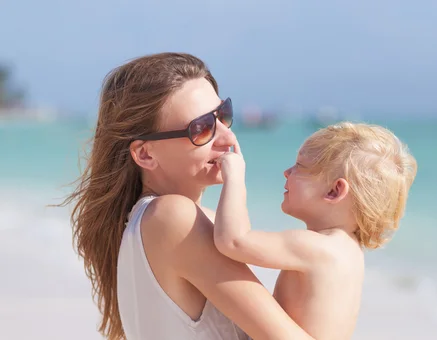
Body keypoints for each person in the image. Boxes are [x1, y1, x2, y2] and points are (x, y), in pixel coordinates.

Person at [61, 52, 315, 340]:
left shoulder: (160, 224)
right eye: (202, 128)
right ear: (145, 153)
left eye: (223, 115)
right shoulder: (173, 218)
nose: (228, 137)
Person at [213, 122, 418, 339]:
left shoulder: (317, 247)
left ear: (334, 190)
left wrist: (234, 177)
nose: (286, 172)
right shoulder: (349, 249)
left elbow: (234, 241)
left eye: (299, 166)